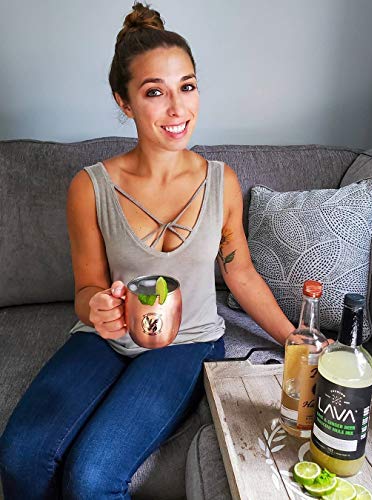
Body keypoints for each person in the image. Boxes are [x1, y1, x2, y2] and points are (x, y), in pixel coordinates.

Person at [0, 3, 294, 498]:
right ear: (124, 102)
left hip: (187, 342)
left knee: (92, 476)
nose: (178, 109)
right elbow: (87, 289)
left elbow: (239, 272)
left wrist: (295, 338)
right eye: (155, 92)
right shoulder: (90, 187)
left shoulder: (221, 183)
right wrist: (97, 307)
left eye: (188, 86)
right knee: (20, 457)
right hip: (105, 338)